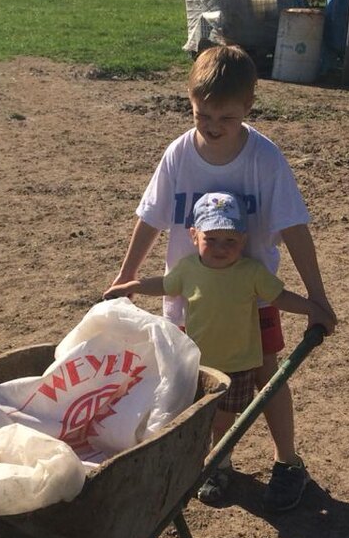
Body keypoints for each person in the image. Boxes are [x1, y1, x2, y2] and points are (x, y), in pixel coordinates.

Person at [107, 43, 336, 511]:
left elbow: (294, 227)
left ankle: (287, 462)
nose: (212, 126)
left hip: (253, 300)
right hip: (192, 299)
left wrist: (318, 298)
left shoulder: (264, 160)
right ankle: (218, 461)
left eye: (225, 118)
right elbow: (151, 218)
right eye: (202, 115)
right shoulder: (178, 155)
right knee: (200, 382)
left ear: (249, 106)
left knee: (268, 375)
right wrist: (126, 277)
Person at [105, 190, 331, 502]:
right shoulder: (188, 269)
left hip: (238, 364)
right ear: (194, 235)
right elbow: (165, 285)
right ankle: (215, 462)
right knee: (202, 417)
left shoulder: (250, 272)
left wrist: (313, 308)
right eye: (211, 239)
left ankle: (218, 464)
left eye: (230, 241)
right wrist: (131, 285)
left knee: (224, 418)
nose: (221, 248)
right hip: (201, 364)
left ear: (243, 239)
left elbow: (280, 297)